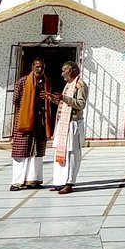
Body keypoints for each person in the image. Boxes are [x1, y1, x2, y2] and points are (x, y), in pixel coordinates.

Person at [11, 58, 52, 190]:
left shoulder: (47, 82)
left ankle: (33, 180)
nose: (39, 69)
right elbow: (16, 100)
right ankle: (17, 182)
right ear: (32, 67)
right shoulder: (22, 82)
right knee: (21, 151)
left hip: (40, 121)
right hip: (24, 120)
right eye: (37, 66)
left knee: (37, 152)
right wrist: (28, 108)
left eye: (42, 67)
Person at [49, 63, 88, 195]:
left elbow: (81, 104)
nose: (62, 74)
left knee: (72, 154)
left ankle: (69, 182)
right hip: (63, 122)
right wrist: (53, 99)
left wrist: (64, 98)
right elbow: (64, 103)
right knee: (61, 153)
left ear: (72, 71)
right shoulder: (68, 85)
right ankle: (59, 181)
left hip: (73, 123)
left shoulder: (80, 85)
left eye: (64, 71)